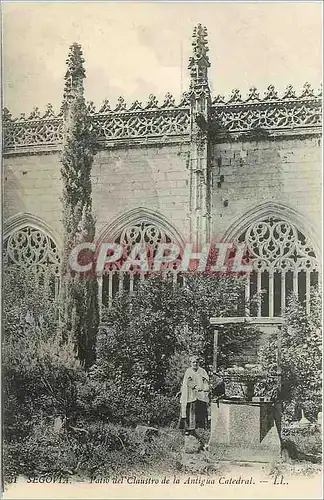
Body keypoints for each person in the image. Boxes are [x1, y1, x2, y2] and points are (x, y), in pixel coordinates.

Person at [178, 355, 210, 435]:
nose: (195, 364)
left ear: (199, 363)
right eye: (193, 362)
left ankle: (200, 428)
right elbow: (188, 381)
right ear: (190, 363)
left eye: (196, 362)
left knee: (200, 409)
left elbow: (206, 380)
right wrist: (195, 387)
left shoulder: (202, 371)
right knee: (190, 409)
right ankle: (188, 429)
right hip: (190, 393)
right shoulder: (188, 371)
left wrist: (206, 387)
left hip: (200, 394)